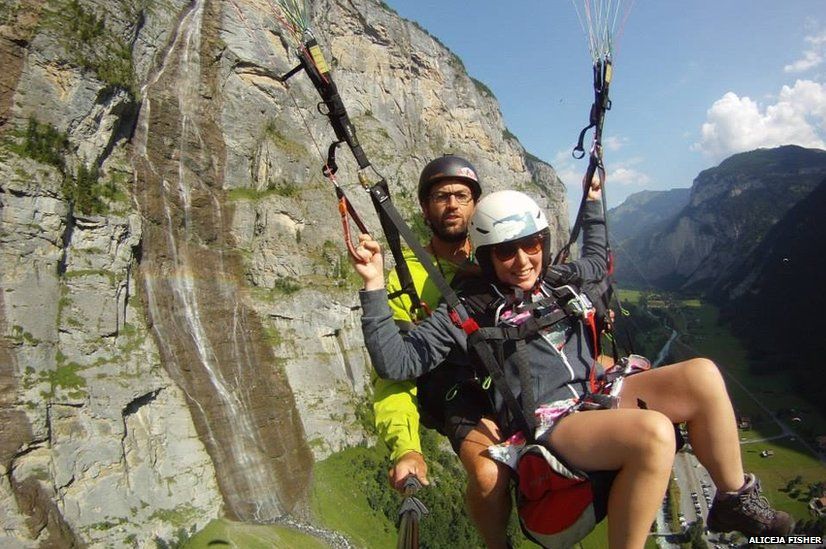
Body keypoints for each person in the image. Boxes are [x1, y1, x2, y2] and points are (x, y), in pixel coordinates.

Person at [354, 181, 793, 548]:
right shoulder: (468, 310)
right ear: (486, 255)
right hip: (552, 420)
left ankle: (735, 499)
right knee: (654, 433)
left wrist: (595, 202)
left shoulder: (557, 281)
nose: (523, 260)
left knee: (702, 374)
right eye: (507, 252)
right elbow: (397, 362)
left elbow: (599, 261)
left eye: (531, 245)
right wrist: (375, 285)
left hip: (596, 390)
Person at [373, 155, 512, 547]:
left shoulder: (499, 255)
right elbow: (394, 373)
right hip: (458, 393)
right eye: (441, 196)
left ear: (475, 205)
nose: (452, 204)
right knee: (488, 476)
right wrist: (406, 448)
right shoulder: (407, 278)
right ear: (424, 207)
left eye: (462, 196)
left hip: (516, 380)